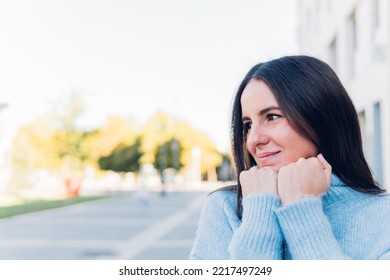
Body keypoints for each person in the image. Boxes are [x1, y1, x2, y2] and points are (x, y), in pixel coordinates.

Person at [190, 55, 390, 260]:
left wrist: (302, 209)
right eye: (248, 125)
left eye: (272, 117)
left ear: (321, 118)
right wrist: (259, 212)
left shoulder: (383, 215)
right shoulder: (224, 209)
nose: (253, 140)